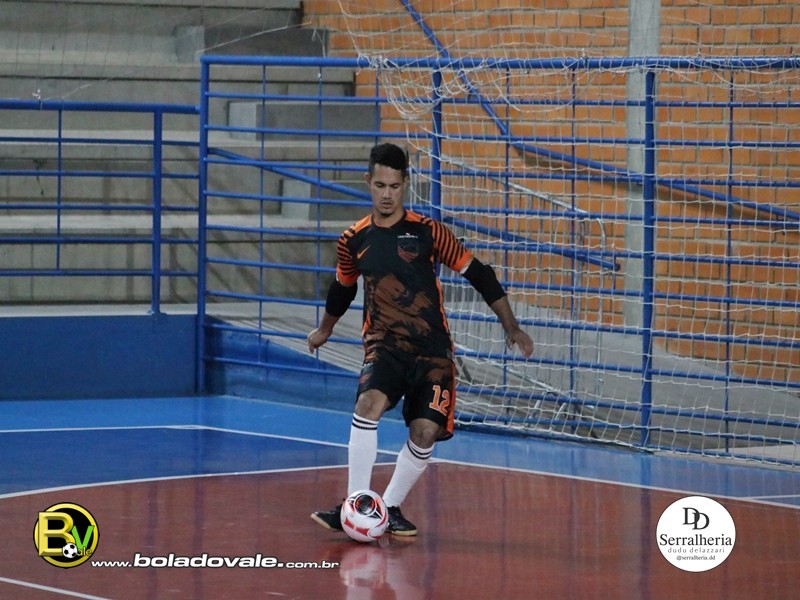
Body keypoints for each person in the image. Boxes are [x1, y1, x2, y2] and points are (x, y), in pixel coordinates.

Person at [308, 142, 533, 536]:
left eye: (395, 186)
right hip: (384, 345)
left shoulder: (429, 231)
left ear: (406, 184)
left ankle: (390, 506)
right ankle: (355, 504)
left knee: (425, 431)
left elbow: (479, 273)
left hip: (432, 352)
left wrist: (511, 325)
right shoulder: (353, 239)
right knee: (367, 404)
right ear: (368, 182)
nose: (387, 194)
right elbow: (343, 288)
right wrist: (325, 329)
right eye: (380, 185)